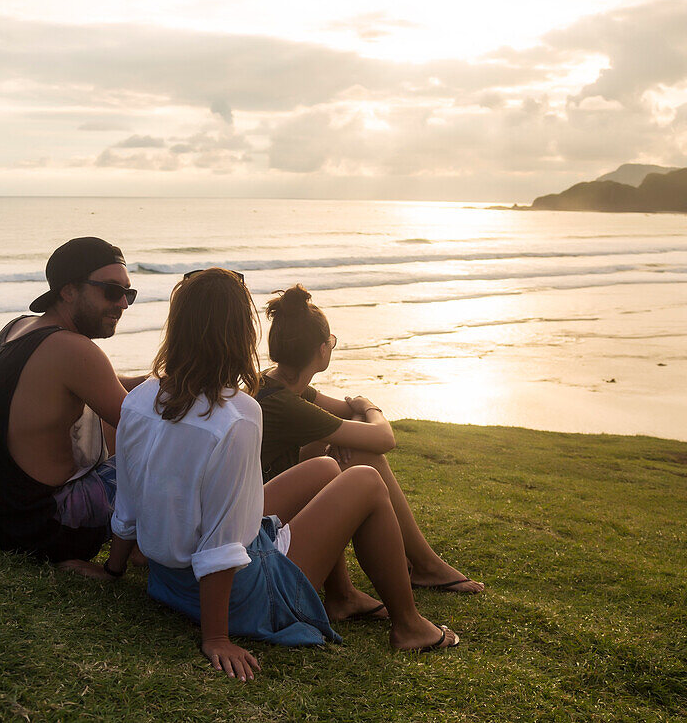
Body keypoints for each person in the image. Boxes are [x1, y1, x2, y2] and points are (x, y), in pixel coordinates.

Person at [105, 268, 459, 682]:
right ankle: (410, 626)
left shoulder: (143, 397)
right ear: (240, 333)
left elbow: (129, 502)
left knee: (326, 467)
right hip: (240, 599)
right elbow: (222, 542)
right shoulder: (236, 414)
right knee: (365, 479)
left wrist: (112, 570)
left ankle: (341, 597)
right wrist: (216, 637)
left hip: (168, 585)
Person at [258, 285, 484, 598]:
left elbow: (346, 416)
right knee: (366, 458)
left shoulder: (275, 382)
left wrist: (346, 431)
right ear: (322, 349)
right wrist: (368, 405)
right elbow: (383, 438)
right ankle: (425, 565)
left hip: (267, 503)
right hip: (262, 529)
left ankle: (406, 570)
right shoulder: (286, 404)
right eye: (332, 341)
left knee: (351, 450)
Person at [0, 236, 145, 579]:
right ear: (69, 290)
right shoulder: (73, 350)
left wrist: (164, 378)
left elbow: (111, 385)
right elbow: (148, 428)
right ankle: (145, 553)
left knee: (116, 421)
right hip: (50, 532)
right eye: (110, 290)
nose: (123, 304)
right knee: (165, 450)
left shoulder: (21, 327)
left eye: (128, 294)